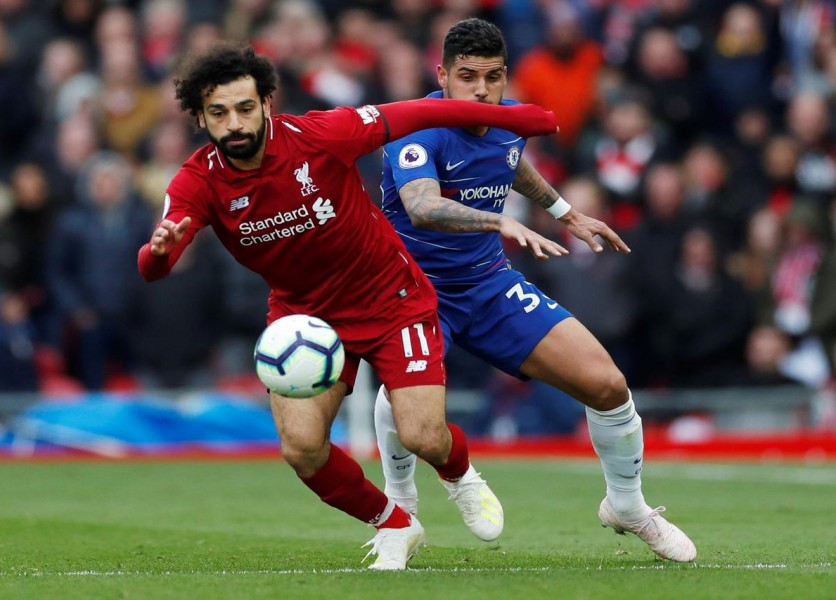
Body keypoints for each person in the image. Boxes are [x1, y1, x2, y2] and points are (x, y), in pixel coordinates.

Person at [136, 41, 560, 570]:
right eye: (219, 113)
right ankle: (395, 523)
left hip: (391, 298)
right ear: (200, 118)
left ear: (267, 103)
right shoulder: (197, 180)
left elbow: (420, 112)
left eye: (245, 108)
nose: (235, 123)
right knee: (301, 448)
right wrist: (160, 250)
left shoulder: (321, 134)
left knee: (423, 436)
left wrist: (520, 118)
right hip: (305, 321)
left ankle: (460, 476)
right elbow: (153, 268)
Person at [375, 18, 697, 562]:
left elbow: (510, 163)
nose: (481, 90)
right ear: (442, 76)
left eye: (492, 77)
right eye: (467, 77)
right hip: (414, 290)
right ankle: (399, 508)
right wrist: (497, 221)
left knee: (607, 384)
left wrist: (566, 212)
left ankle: (627, 505)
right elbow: (421, 205)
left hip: (488, 284)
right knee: (410, 409)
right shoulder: (416, 128)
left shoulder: (508, 123)